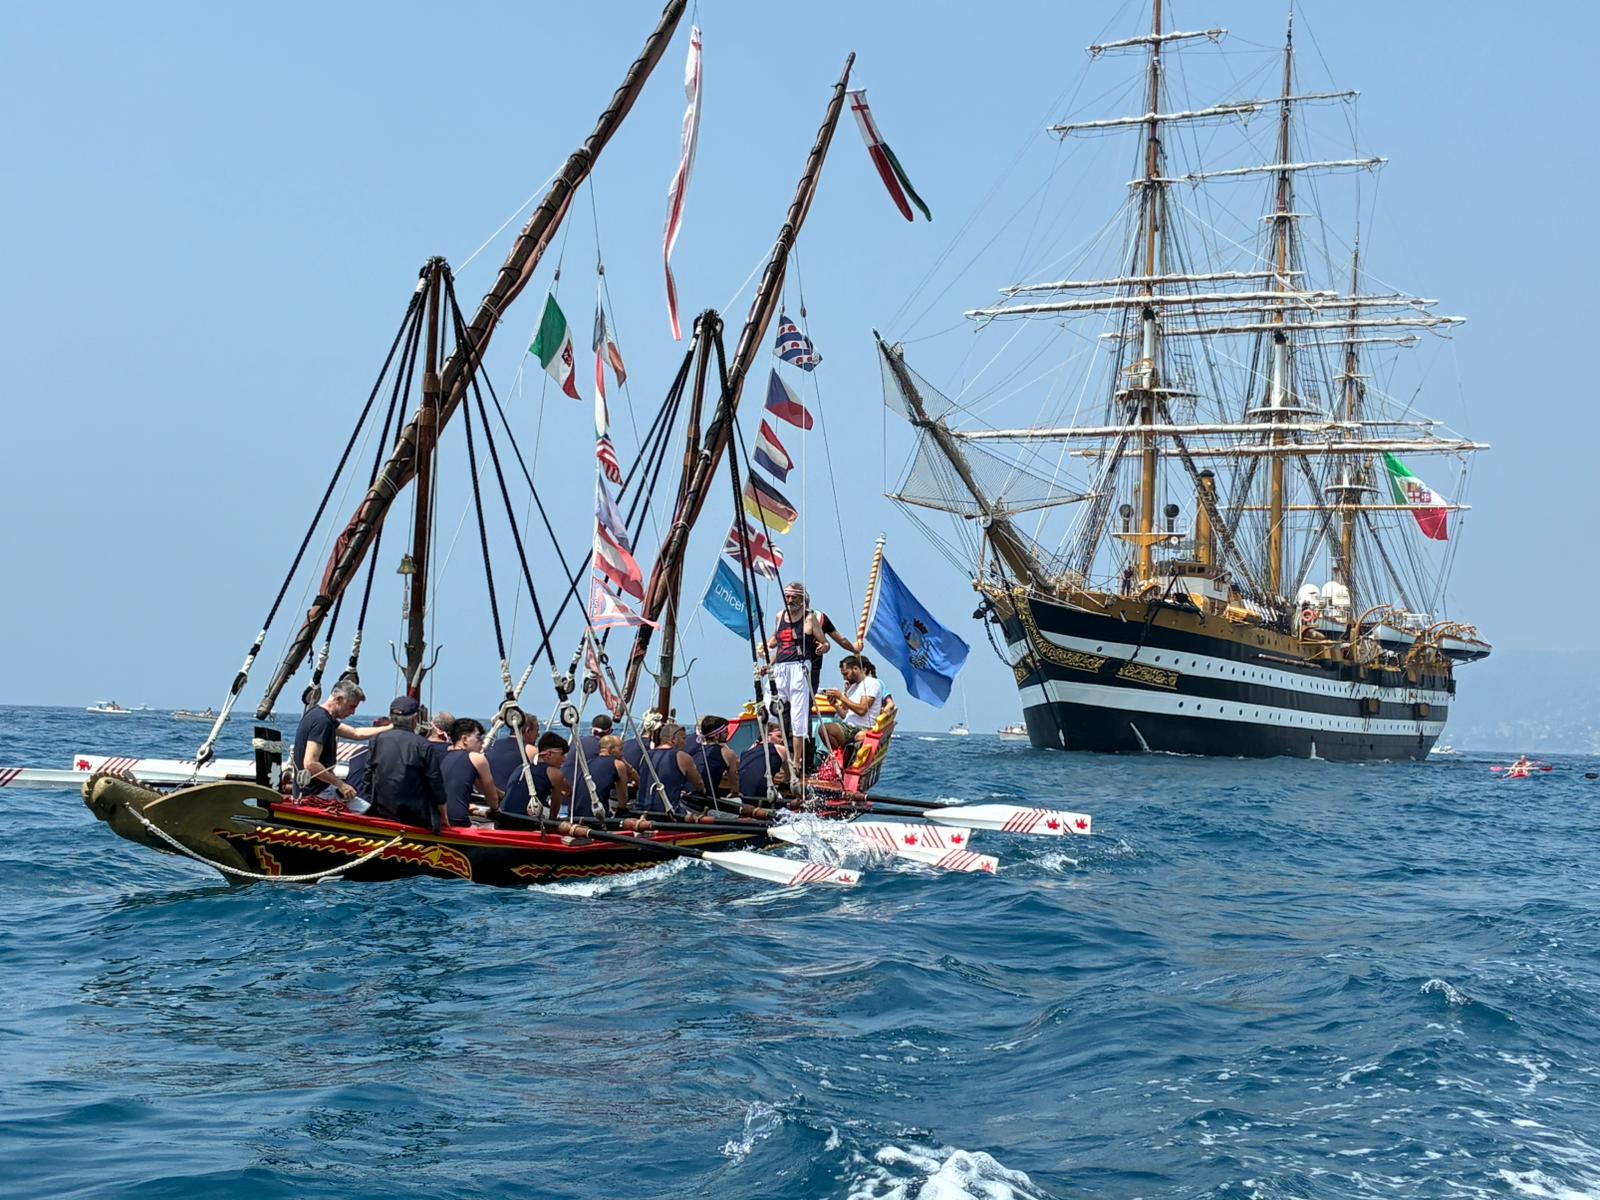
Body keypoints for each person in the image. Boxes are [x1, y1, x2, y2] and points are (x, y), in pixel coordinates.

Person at [767, 583, 859, 777]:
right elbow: (781, 644)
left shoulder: (816, 618)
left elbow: (837, 640)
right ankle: (786, 754)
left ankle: (802, 760)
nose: (790, 601)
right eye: (788, 597)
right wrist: (769, 662)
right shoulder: (782, 617)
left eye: (795, 598)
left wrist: (854, 649)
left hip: (808, 669)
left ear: (803, 601)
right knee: (780, 711)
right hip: (786, 668)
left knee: (800, 714)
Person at [291, 678, 384, 803]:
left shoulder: (319, 715)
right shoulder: (322, 721)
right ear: (339, 700)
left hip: (312, 790)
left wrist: (390, 727)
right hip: (316, 794)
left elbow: (356, 733)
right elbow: (311, 763)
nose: (353, 712)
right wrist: (341, 785)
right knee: (365, 808)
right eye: (351, 707)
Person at [366, 696, 448, 832]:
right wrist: (444, 816)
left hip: (381, 811)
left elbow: (367, 776)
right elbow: (435, 784)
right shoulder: (423, 745)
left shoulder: (376, 740)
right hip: (414, 816)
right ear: (415, 719)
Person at [440, 717, 502, 827]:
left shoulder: (444, 755)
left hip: (437, 819)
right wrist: (495, 809)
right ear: (464, 739)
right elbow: (493, 800)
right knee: (497, 826)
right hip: (458, 823)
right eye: (478, 738)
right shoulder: (477, 758)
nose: (482, 742)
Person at [634, 721, 705, 816]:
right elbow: (698, 783)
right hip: (668, 812)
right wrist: (702, 791)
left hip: (640, 811)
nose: (685, 743)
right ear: (673, 739)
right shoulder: (682, 757)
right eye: (683, 739)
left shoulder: (645, 756)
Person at [820, 655, 884, 752]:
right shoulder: (852, 688)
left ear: (855, 668)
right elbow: (846, 715)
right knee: (824, 729)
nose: (844, 678)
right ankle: (840, 755)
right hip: (849, 726)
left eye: (846, 674)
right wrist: (835, 705)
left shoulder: (871, 683)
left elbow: (862, 710)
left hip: (861, 728)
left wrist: (841, 697)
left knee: (825, 729)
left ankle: (840, 755)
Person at [502, 732, 572, 819]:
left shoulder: (520, 768)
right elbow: (554, 810)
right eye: (562, 754)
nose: (564, 759)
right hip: (523, 823)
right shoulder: (555, 773)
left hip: (503, 818)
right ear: (549, 754)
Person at [567, 733, 633, 820]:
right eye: (620, 749)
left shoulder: (588, 763)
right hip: (597, 816)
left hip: (574, 815)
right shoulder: (618, 765)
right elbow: (623, 798)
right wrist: (621, 811)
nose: (622, 753)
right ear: (610, 749)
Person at [486, 708, 541, 793]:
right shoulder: (530, 751)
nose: (538, 735)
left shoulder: (493, 745)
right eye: (537, 730)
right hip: (510, 800)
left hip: (488, 795)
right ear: (527, 731)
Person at [684, 715, 740, 796]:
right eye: (725, 731)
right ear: (716, 736)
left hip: (687, 796)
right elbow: (734, 782)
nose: (728, 733)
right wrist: (735, 794)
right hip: (704, 799)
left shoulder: (697, 750)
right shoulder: (728, 753)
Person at [737, 722, 790, 800]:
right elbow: (788, 777)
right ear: (767, 736)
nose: (782, 740)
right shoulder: (781, 749)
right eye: (779, 736)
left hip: (744, 796)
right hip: (762, 796)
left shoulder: (746, 753)